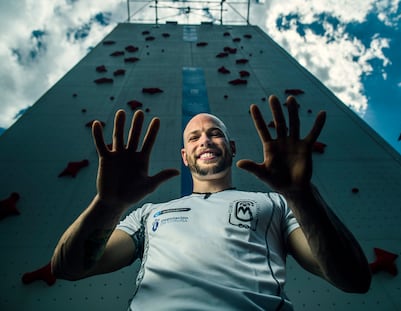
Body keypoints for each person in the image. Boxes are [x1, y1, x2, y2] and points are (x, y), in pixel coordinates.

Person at [51, 95, 371, 310]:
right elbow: (67, 269)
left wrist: (303, 194)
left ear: (230, 147)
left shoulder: (275, 204)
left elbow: (353, 279)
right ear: (185, 156)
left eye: (214, 133)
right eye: (194, 137)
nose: (205, 139)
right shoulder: (149, 215)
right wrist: (107, 203)